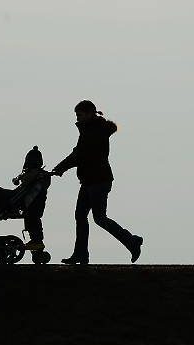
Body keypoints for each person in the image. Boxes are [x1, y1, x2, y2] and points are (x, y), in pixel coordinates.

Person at [52, 100, 143, 264]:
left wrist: (61, 168)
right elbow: (78, 154)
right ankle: (81, 254)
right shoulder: (89, 130)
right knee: (81, 216)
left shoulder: (94, 131)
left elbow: (80, 155)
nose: (77, 118)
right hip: (89, 180)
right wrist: (60, 168)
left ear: (89, 113)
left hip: (99, 180)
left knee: (99, 218)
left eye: (79, 115)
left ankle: (131, 241)